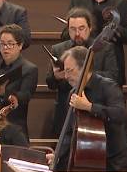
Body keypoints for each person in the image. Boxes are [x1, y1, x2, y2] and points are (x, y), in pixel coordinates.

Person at [50, 46, 127, 171]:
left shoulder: (108, 87)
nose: (65, 76)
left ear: (84, 68)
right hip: (89, 160)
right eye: (65, 71)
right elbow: (69, 133)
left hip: (115, 161)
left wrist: (89, 107)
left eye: (69, 71)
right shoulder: (73, 93)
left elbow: (119, 114)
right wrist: (57, 155)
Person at [46, 7, 119, 135]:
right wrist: (57, 77)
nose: (77, 33)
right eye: (72, 29)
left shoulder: (105, 48)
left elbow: (113, 76)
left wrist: (84, 75)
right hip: (66, 112)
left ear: (90, 28)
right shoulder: (58, 49)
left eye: (81, 28)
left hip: (96, 110)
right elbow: (50, 83)